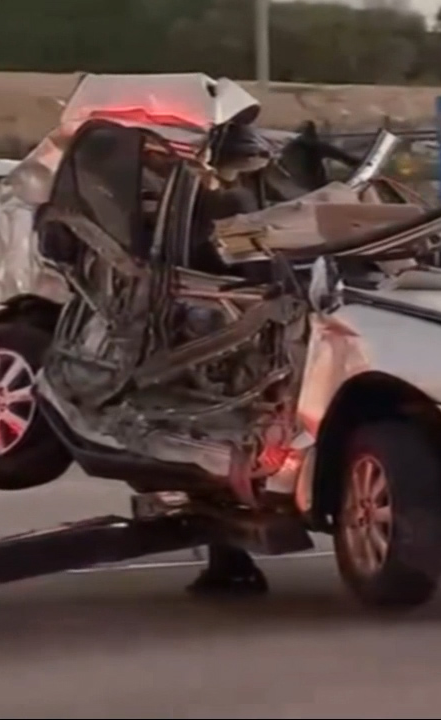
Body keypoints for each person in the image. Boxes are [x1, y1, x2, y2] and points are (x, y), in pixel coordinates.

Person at [185, 123, 274, 597]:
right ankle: (229, 561)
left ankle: (230, 564)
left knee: (215, 454)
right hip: (238, 334)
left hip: (222, 340)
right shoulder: (246, 206)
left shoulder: (224, 205)